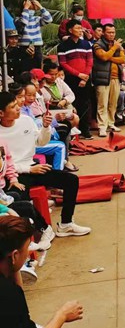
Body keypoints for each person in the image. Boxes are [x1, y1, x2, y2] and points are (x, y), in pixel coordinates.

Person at [0, 91, 91, 238]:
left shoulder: (26, 120)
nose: (18, 108)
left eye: (17, 105)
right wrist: (28, 169)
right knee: (20, 199)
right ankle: (42, 229)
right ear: (1, 113)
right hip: (14, 176)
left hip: (33, 167)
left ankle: (66, 224)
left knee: (71, 180)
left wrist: (45, 127)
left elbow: (41, 142)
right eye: (12, 107)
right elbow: (5, 166)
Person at [57, 20, 93, 139]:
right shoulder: (62, 46)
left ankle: (85, 130)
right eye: (77, 28)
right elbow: (63, 64)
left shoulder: (86, 44)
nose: (80, 30)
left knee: (86, 104)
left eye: (81, 28)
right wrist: (79, 75)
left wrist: (85, 76)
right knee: (74, 104)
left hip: (86, 78)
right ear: (70, 30)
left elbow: (90, 61)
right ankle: (73, 130)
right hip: (71, 79)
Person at [92, 24, 125, 138]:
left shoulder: (116, 45)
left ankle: (111, 123)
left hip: (116, 78)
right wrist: (114, 49)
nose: (112, 34)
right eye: (109, 32)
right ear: (103, 33)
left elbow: (122, 59)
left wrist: (110, 55)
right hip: (102, 78)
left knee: (113, 103)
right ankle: (102, 127)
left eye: (113, 32)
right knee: (102, 104)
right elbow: (103, 57)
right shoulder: (97, 44)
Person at [16, 0, 52, 70]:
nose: (30, 10)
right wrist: (26, 8)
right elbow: (24, 22)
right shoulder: (18, 19)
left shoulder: (37, 19)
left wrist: (40, 7)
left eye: (32, 8)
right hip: (24, 47)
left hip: (37, 47)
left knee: (37, 68)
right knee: (25, 67)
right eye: (29, 8)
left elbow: (49, 19)